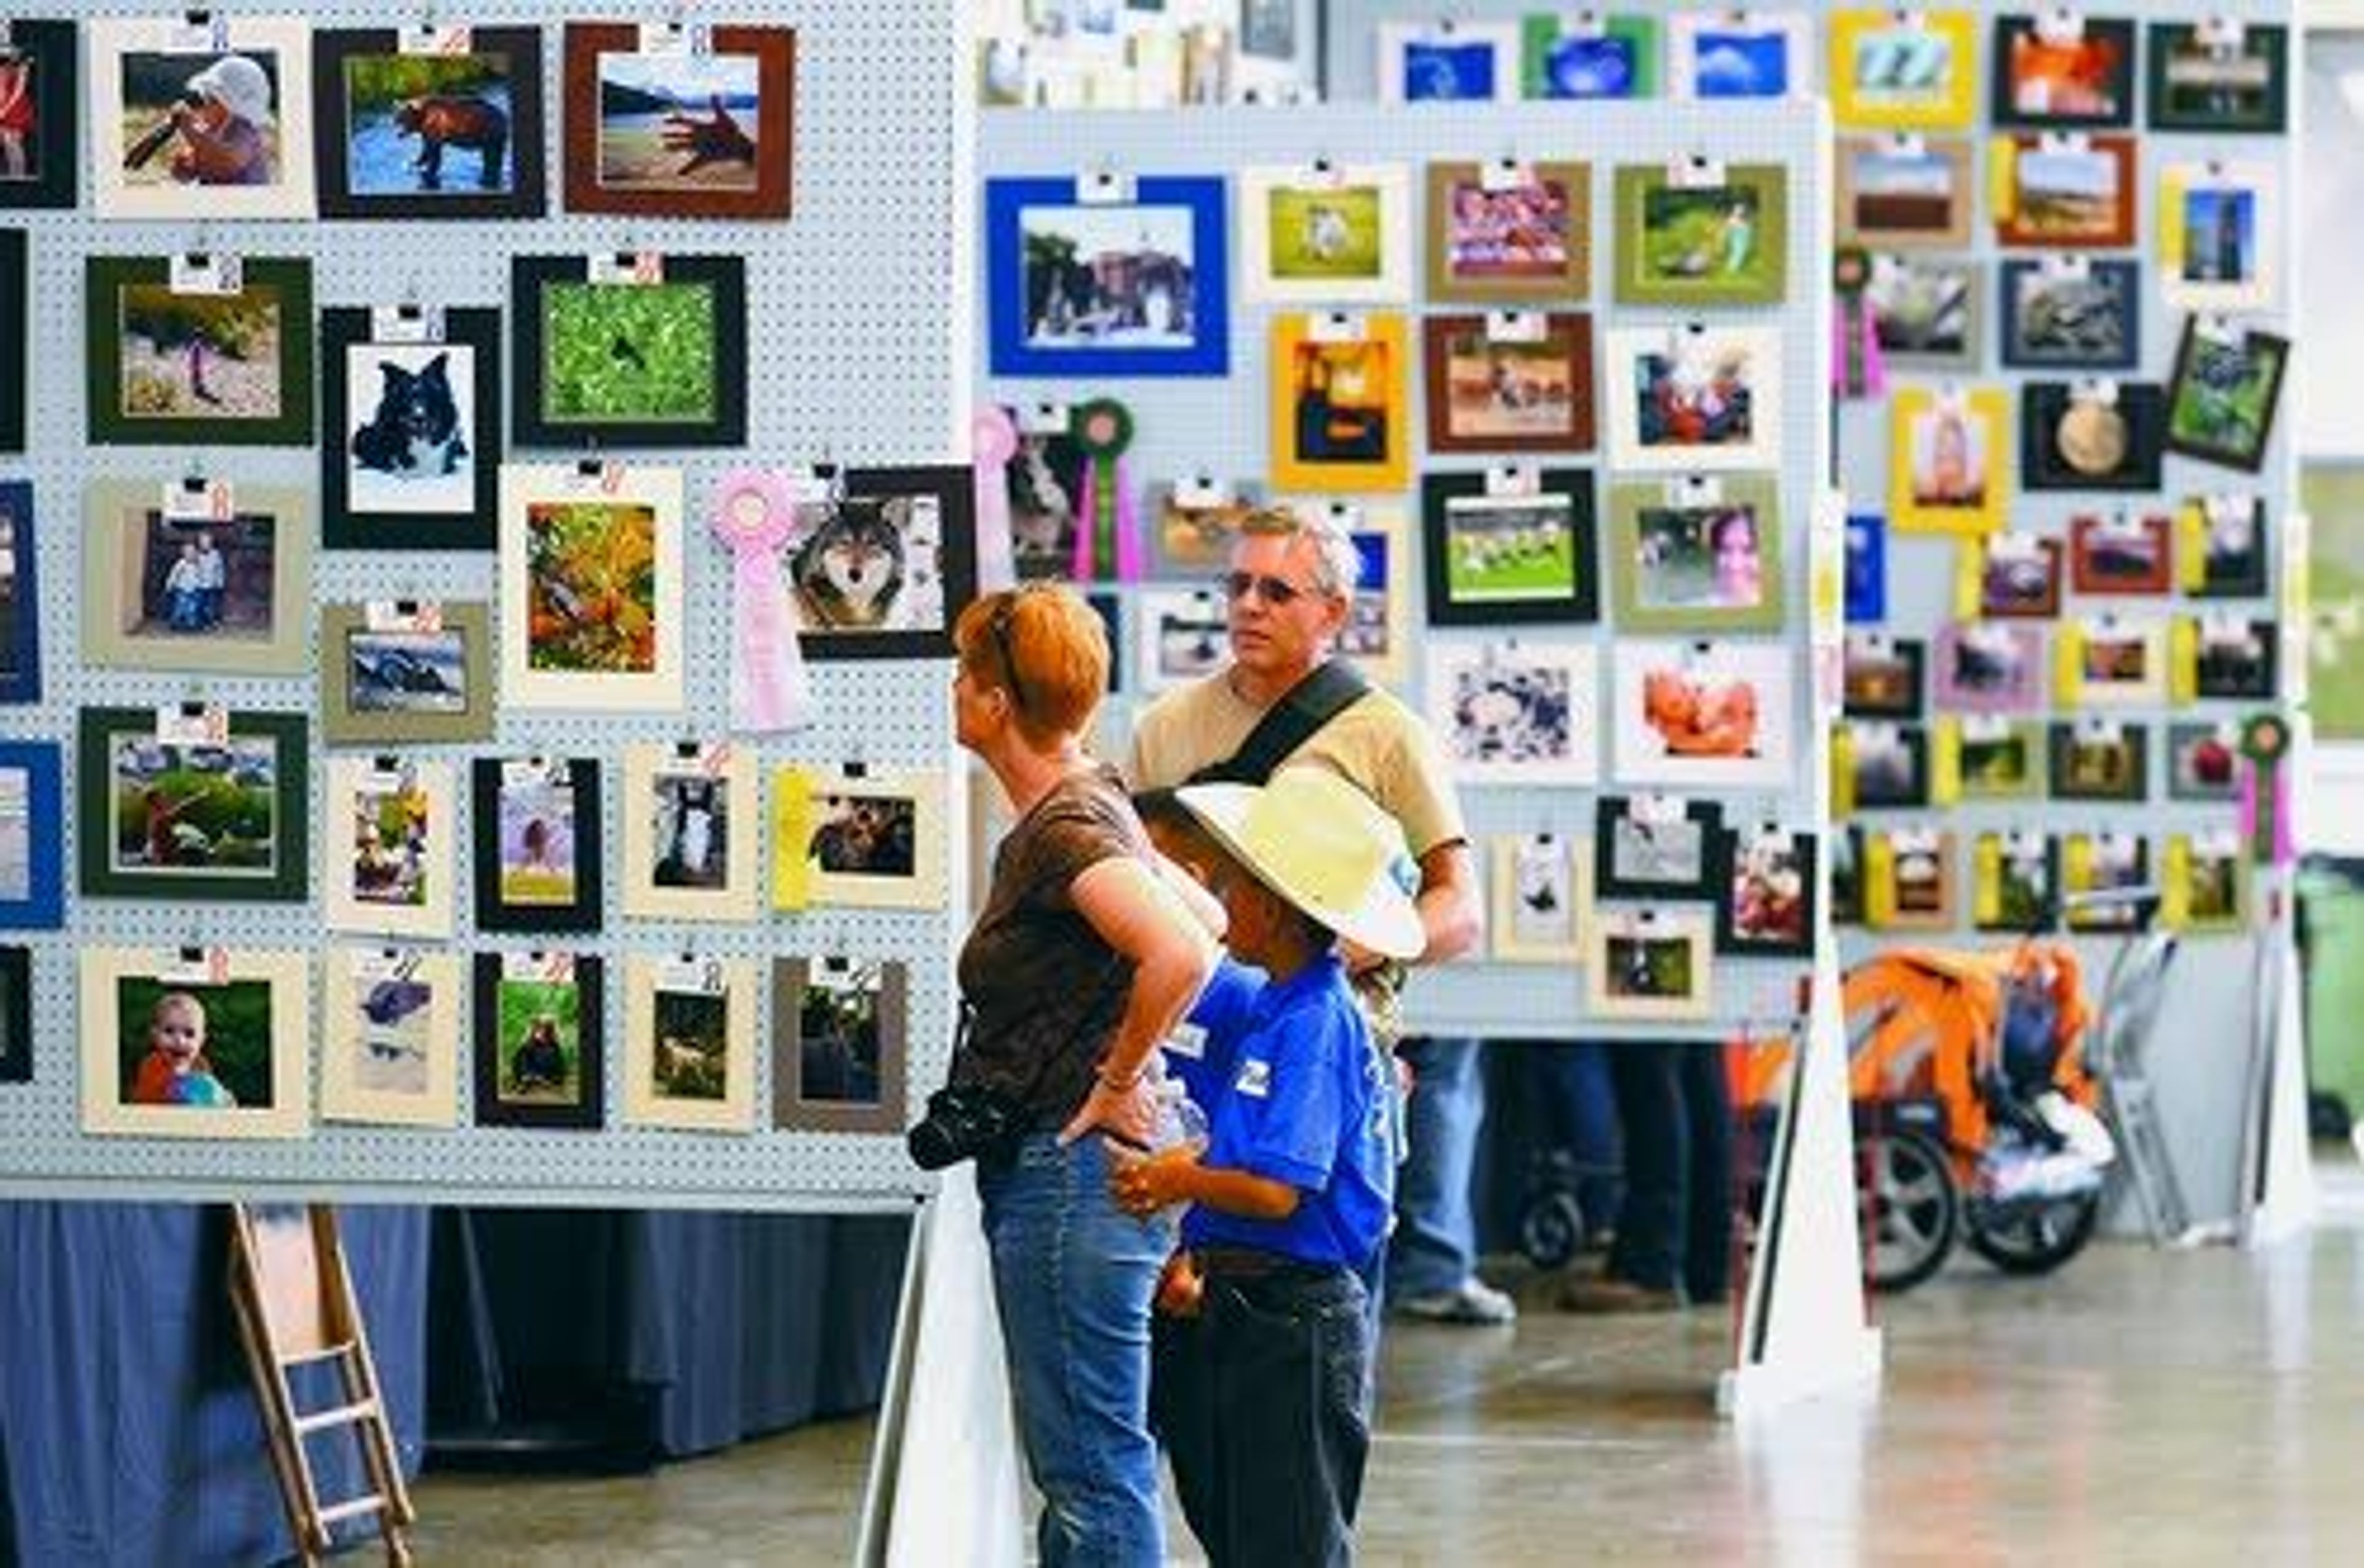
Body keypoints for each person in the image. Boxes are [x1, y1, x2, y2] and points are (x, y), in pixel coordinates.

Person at [1127, 507, 1502, 1327]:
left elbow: (1460, 908)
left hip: (1323, 1041)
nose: (1249, 606)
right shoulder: (1165, 728)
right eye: (1238, 586)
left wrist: (1348, 944)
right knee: (1176, 1319)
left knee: (1315, 1306)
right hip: (1194, 1045)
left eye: (1277, 590)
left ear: (1333, 613)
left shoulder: (1390, 736)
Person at [941, 583, 1219, 1567]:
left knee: (1092, 1470)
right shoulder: (1095, 798)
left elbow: (1181, 956)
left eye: (967, 674)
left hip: (1070, 1175)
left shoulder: (1065, 828)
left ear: (998, 701)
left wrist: (1114, 1077)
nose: (954, 689)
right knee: (1093, 1465)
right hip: (1088, 1175)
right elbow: (1211, 924)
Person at [1111, 766, 1421, 1567]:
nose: (1222, 897)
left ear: (1277, 908)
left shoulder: (1313, 1021)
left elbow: (1280, 1187)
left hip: (1293, 1319)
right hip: (1248, 1305)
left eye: (1237, 885)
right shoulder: (1277, 1004)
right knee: (1245, 1531)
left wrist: (1178, 1178)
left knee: (1285, 1539)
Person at [161, 55, 275, 187]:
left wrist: (191, 132)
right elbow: (192, 169)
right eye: (205, 98)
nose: (204, 106)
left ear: (234, 108)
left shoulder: (245, 132)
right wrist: (187, 165)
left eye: (212, 100)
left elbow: (228, 162)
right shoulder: (209, 131)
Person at [129, 991, 235, 1108]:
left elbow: (208, 1091)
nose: (179, 1041)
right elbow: (151, 1096)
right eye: (169, 1031)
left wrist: (222, 1098)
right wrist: (179, 1081)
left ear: (202, 1041)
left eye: (189, 1034)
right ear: (155, 1036)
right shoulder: (152, 1064)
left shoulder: (200, 1064)